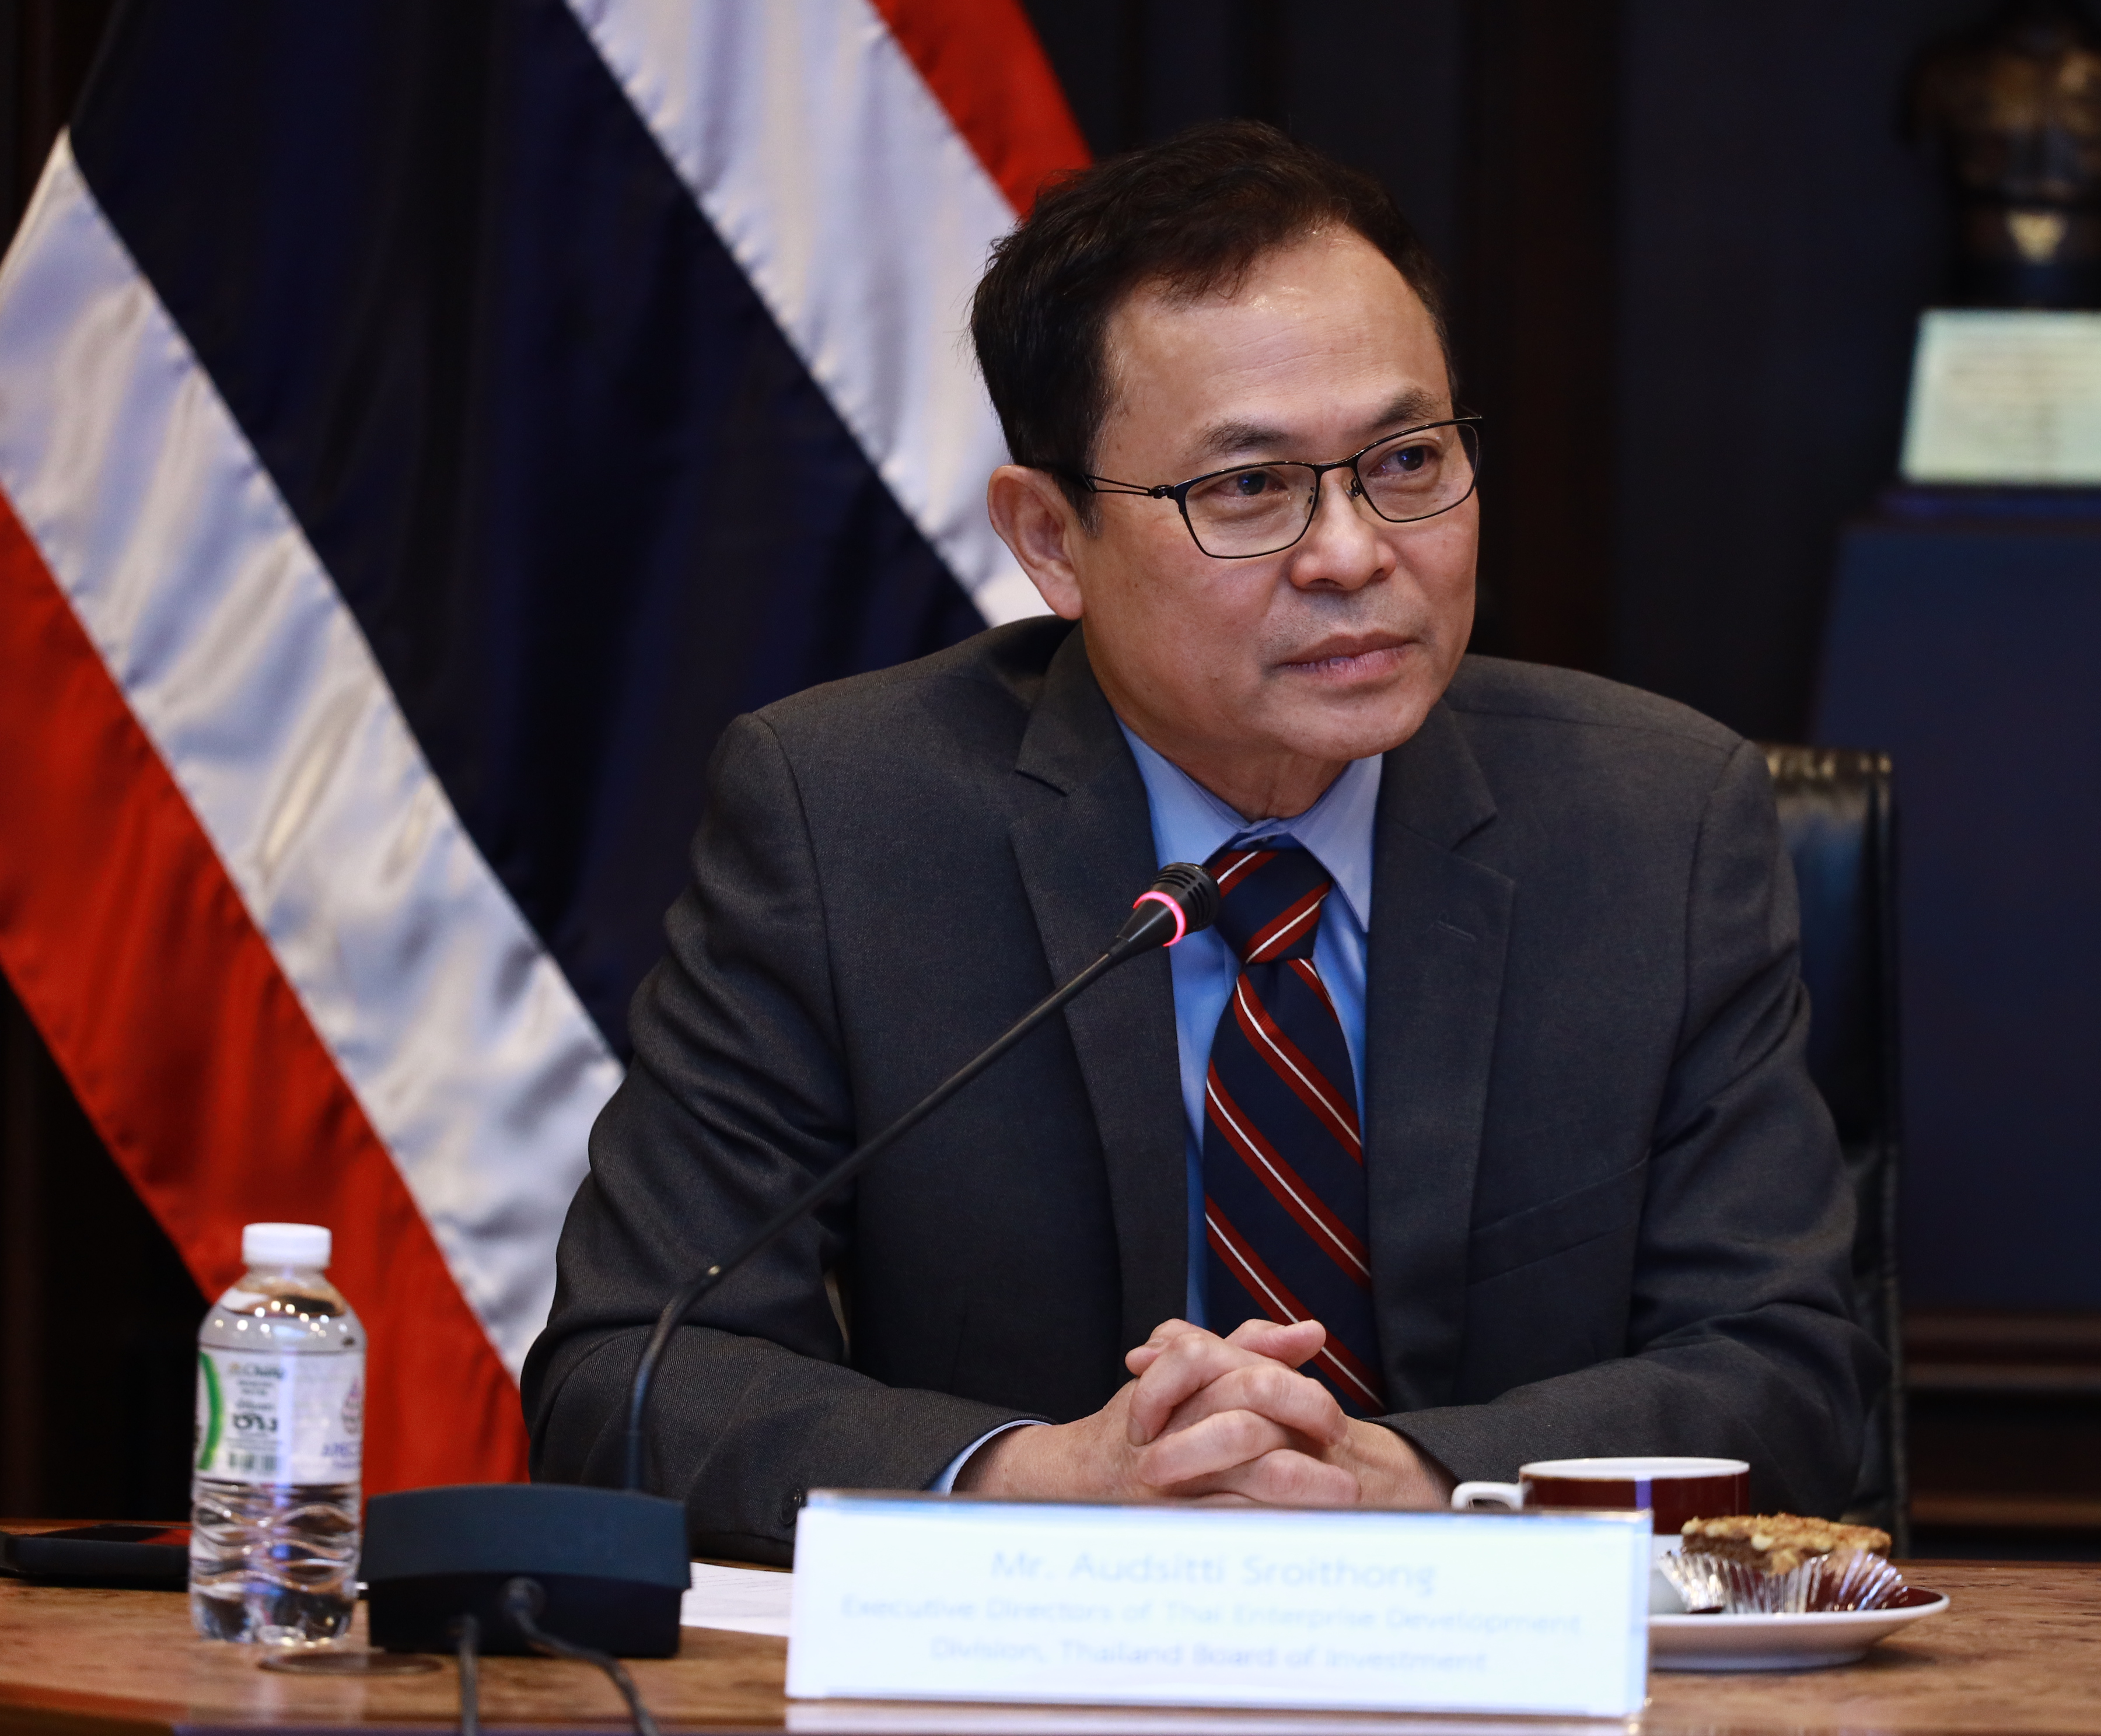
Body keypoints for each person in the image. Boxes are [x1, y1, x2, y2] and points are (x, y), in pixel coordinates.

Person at [525, 120, 1879, 1561]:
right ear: (1051, 540)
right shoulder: (844, 819)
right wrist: (1039, 1480)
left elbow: (1788, 1373)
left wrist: (1415, 1483)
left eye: (1407, 460)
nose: (1354, 551)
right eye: (1249, 487)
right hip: (1038, 1653)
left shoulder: (1655, 823)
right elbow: (632, 1376)